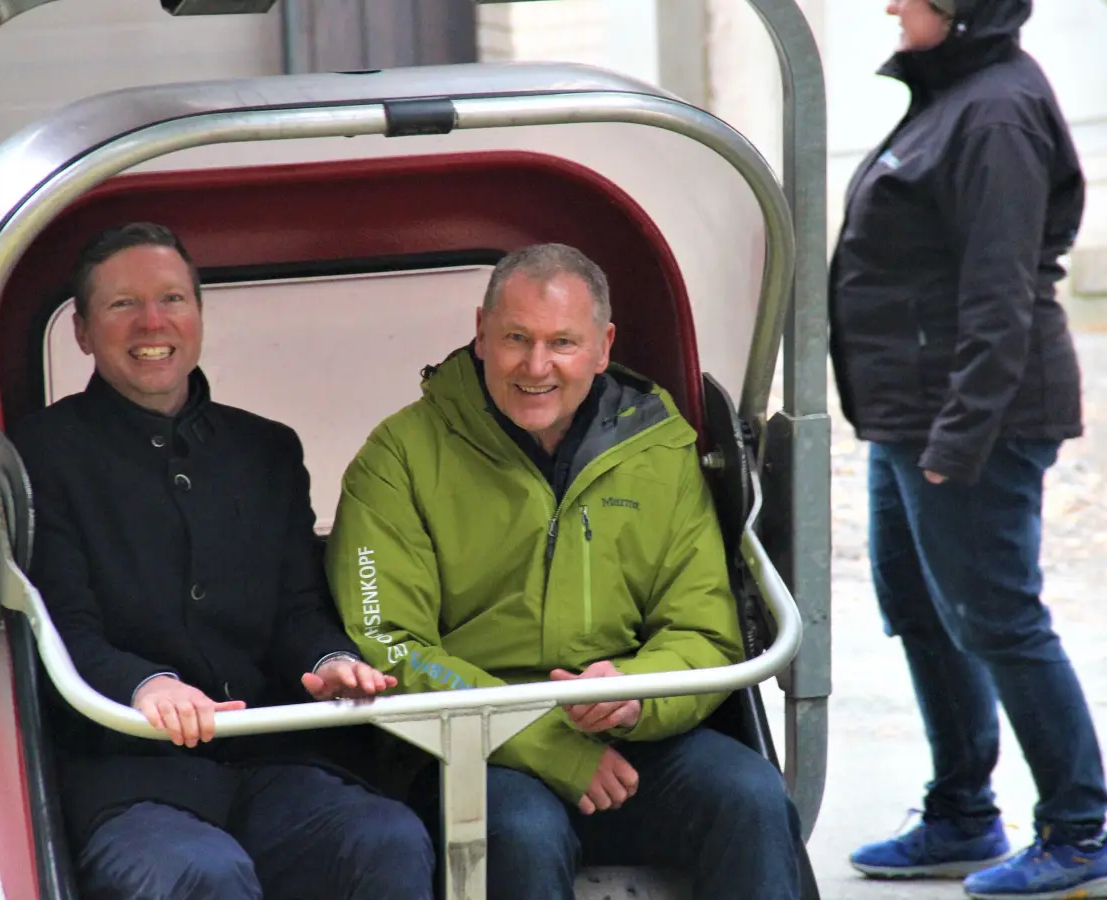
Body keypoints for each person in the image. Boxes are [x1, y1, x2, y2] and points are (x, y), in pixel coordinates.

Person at [324, 243, 803, 899]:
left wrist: (637, 688)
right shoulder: (399, 456)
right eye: (516, 338)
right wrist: (547, 743)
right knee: (519, 832)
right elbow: (391, 644)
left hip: (631, 737)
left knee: (752, 796)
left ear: (603, 347)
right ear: (481, 333)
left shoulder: (660, 449)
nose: (537, 365)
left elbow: (705, 631)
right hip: (474, 746)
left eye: (563, 343)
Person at [9, 222, 434, 900]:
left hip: (269, 763)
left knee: (385, 840)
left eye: (172, 299)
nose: (153, 321)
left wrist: (330, 663)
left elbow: (297, 609)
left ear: (199, 316)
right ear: (84, 332)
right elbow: (63, 627)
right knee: (203, 874)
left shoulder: (266, 452)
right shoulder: (41, 456)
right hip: (130, 781)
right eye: (123, 305)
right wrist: (149, 686)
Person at [828, 2, 1107, 899]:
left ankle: (1080, 835)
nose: (890, 4)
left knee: (999, 618)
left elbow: (999, 295)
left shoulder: (996, 112)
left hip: (971, 418)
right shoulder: (954, 95)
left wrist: (958, 439)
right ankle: (962, 813)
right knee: (922, 609)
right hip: (906, 414)